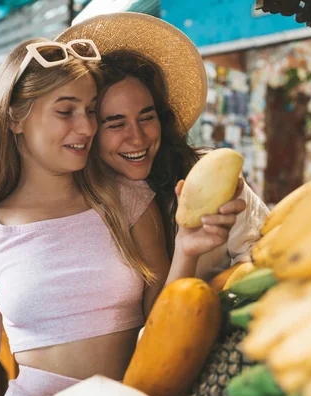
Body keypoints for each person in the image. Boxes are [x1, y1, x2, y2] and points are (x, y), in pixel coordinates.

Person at [0, 33, 245, 396]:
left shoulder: (127, 198)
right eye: (66, 111)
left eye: (90, 110)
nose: (87, 127)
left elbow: (163, 323)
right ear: (15, 118)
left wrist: (187, 249)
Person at [57, 13, 269, 280]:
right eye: (115, 124)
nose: (137, 138)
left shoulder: (207, 174)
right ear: (89, 130)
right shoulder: (73, 201)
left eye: (147, 117)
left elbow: (266, 254)